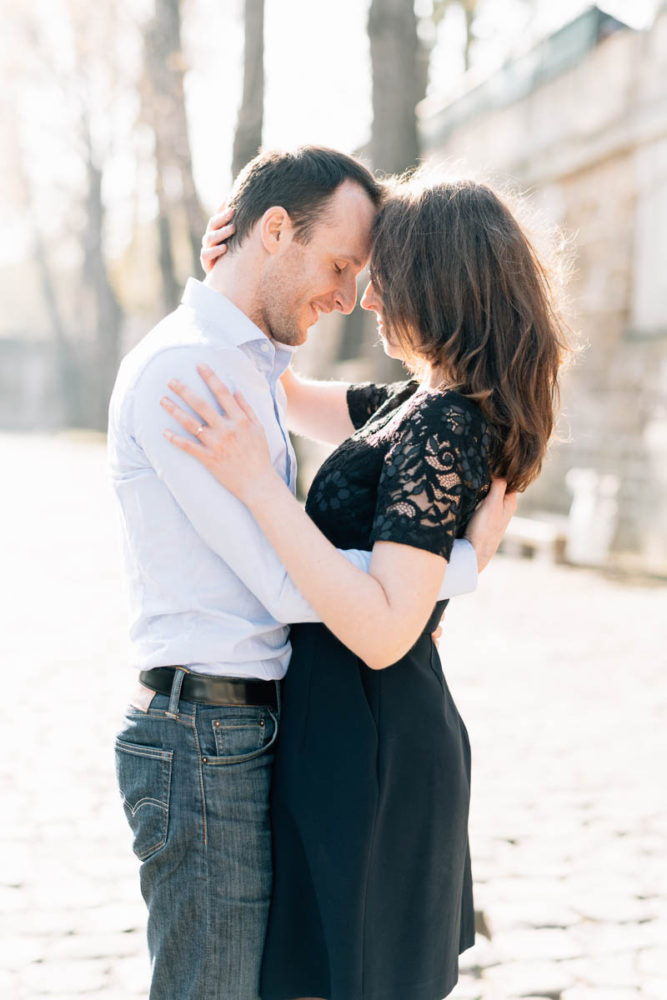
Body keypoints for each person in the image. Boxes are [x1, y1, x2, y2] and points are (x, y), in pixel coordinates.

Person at [108, 147, 514, 1000]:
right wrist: (461, 566)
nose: (354, 296)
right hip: (213, 729)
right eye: (341, 267)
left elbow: (283, 382)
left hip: (281, 728)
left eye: (370, 273)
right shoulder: (197, 374)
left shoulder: (271, 373)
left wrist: (234, 269)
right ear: (276, 231)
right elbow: (294, 591)